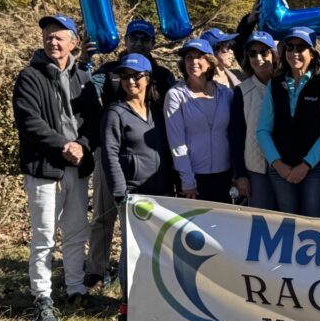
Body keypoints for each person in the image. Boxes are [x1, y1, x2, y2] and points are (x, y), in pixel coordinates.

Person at [12, 14, 102, 321]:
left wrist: (81, 145)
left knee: (77, 230)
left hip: (76, 166)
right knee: (44, 234)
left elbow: (93, 121)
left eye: (59, 36)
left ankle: (76, 289)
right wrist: (63, 145)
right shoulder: (30, 77)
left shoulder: (83, 79)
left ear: (74, 43)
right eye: (48, 35)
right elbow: (28, 121)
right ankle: (43, 297)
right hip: (44, 166)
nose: (53, 40)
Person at [85, 19, 176, 289]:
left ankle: (150, 277)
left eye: (144, 39)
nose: (138, 43)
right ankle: (97, 270)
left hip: (149, 152)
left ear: (152, 43)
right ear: (125, 41)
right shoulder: (110, 70)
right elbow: (88, 91)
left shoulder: (161, 75)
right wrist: (83, 65)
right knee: (104, 213)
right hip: (112, 148)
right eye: (133, 38)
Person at [257, 27, 320, 217]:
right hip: (280, 168)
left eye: (300, 48)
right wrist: (277, 163)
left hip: (314, 169)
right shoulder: (275, 84)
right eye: (290, 47)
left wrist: (305, 165)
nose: (294, 53)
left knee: (313, 221)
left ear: (312, 53)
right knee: (287, 221)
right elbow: (263, 130)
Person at [164, 37, 235, 203]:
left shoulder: (226, 93)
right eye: (189, 57)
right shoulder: (175, 95)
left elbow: (234, 134)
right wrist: (187, 180)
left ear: (210, 62)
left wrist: (237, 174)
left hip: (225, 176)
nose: (194, 61)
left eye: (200, 57)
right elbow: (176, 143)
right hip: (194, 178)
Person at [101, 54, 173, 203]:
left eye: (136, 75)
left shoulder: (159, 111)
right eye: (125, 76)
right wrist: (120, 193)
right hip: (134, 196)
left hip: (165, 193)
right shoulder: (115, 113)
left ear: (148, 78)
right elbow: (110, 155)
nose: (130, 81)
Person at [229, 31, 280, 210]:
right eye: (252, 53)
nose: (258, 58)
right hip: (257, 169)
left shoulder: (286, 85)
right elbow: (236, 136)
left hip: (286, 167)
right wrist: (240, 174)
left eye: (264, 52)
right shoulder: (242, 91)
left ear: (273, 55)